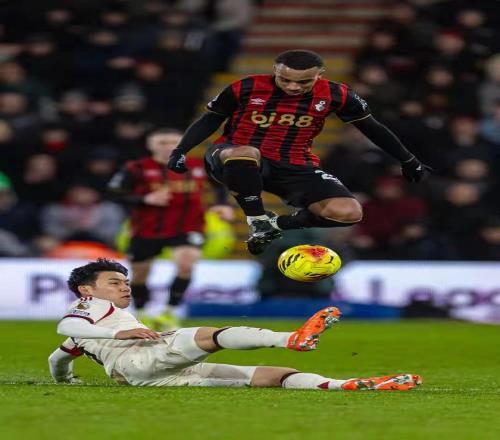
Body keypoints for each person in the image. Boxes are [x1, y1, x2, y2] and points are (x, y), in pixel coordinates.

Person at [166, 49, 432, 255]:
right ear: (275, 70)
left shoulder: (337, 95)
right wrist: (181, 150)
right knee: (246, 152)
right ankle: (257, 219)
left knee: (348, 212)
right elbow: (210, 119)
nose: (293, 87)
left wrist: (407, 159)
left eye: (303, 82)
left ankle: (274, 226)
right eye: (285, 79)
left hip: (293, 162)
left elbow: (373, 128)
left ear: (320, 74)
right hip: (231, 156)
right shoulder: (245, 87)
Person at [48, 258, 422, 390]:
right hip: (140, 359)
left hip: (147, 378)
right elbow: (66, 327)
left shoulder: (92, 324)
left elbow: (58, 357)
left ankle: (345, 385)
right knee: (208, 335)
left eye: (125, 281)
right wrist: (120, 332)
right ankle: (292, 338)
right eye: (115, 282)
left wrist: (66, 380)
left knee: (271, 376)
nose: (124, 286)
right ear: (86, 289)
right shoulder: (88, 306)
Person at [108, 128, 233, 330]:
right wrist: (145, 199)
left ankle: (170, 312)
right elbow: (114, 193)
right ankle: (142, 313)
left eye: (174, 142)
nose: (168, 147)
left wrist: (222, 204)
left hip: (188, 226)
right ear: (150, 145)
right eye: (162, 142)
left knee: (186, 265)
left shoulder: (198, 166)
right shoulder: (136, 168)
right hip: (146, 229)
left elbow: (220, 185)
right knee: (140, 274)